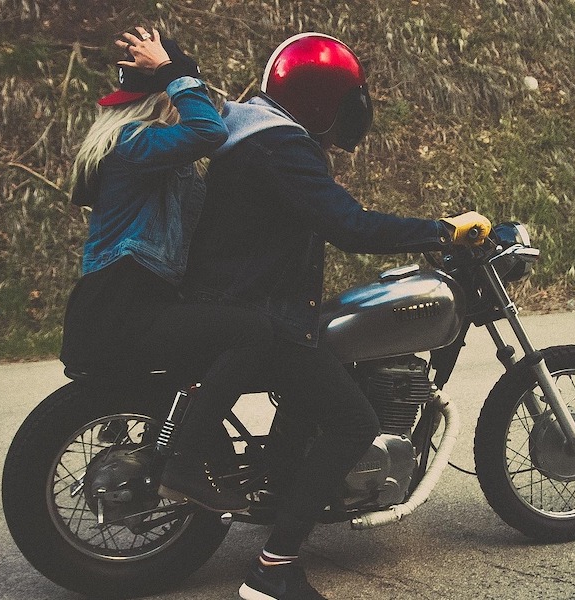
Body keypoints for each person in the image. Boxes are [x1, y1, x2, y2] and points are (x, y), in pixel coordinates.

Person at [180, 33, 492, 600]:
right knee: (353, 422)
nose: (356, 110)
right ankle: (274, 569)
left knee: (318, 385)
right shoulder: (281, 146)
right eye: (348, 98)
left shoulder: (252, 134)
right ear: (322, 101)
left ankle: (283, 489)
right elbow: (348, 225)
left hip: (246, 304)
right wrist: (441, 230)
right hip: (261, 316)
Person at [59, 26, 270, 514]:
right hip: (123, 303)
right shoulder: (133, 144)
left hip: (129, 300)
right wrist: (178, 74)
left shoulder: (154, 161)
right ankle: (184, 463)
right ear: (163, 100)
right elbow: (208, 131)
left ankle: (184, 454)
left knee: (228, 331)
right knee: (253, 334)